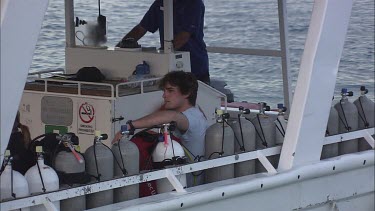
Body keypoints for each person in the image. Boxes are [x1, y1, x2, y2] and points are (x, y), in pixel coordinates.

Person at [112, 71, 208, 186]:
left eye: (170, 91)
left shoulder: (192, 117)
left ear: (187, 93)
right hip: (174, 180)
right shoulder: (194, 111)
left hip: (187, 185)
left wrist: (130, 126)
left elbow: (170, 116)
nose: (164, 95)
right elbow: (163, 116)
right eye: (164, 91)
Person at [116, 0, 210, 84]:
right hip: (170, 67)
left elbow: (183, 36)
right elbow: (141, 29)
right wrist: (118, 48)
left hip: (195, 65)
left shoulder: (194, 3)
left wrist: (160, 56)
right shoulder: (161, 3)